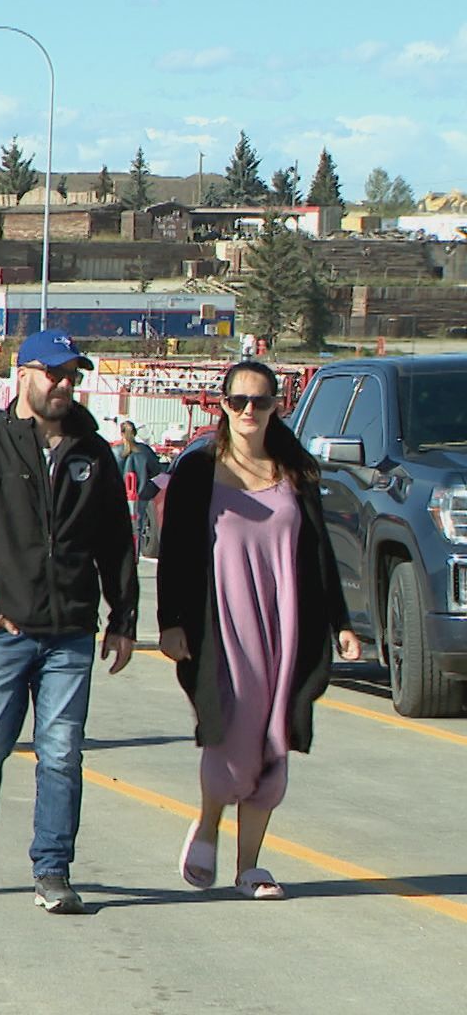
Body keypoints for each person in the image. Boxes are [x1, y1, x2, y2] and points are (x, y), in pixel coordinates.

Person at [0, 329, 139, 915]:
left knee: (61, 753)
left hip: (70, 632)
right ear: (22, 373)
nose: (64, 385)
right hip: (3, 632)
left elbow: (116, 542)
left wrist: (122, 616)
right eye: (54, 373)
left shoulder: (92, 453)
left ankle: (52, 869)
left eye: (73, 375)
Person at [157, 361, 362, 900]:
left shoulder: (297, 471)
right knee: (233, 727)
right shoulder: (198, 472)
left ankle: (250, 867)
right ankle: (207, 822)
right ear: (222, 404)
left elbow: (319, 553)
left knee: (276, 735)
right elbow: (175, 554)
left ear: (277, 406)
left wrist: (341, 623)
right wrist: (170, 623)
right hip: (220, 621)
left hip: (287, 622)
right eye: (239, 400)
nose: (250, 410)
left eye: (261, 401)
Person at [113, 420, 165, 548]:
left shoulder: (114, 452)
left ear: (121, 433)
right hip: (141, 494)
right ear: (135, 433)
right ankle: (135, 552)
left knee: (118, 526)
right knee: (138, 526)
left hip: (119, 495)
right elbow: (157, 471)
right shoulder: (145, 451)